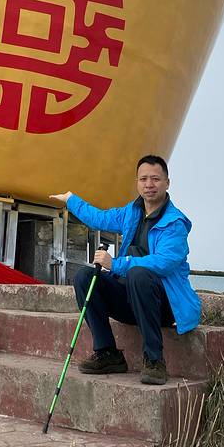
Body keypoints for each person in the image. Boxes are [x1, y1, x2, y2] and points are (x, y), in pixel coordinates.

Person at [50, 155, 201, 385]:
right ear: (137, 183)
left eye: (155, 179)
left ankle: (154, 360)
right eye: (143, 179)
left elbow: (163, 263)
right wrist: (71, 199)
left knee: (138, 273)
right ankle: (108, 353)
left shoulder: (175, 223)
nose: (149, 185)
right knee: (84, 277)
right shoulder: (132, 212)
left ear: (167, 183)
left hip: (164, 306)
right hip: (132, 299)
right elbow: (100, 218)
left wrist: (117, 264)